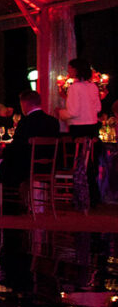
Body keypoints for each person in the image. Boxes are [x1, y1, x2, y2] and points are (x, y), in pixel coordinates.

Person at [59, 57, 102, 207]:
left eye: (70, 68)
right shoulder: (93, 87)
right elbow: (97, 108)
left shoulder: (74, 87)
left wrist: (60, 113)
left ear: (76, 70)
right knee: (90, 163)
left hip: (79, 128)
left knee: (80, 164)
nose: (68, 71)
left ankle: (81, 197)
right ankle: (92, 196)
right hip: (92, 127)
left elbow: (73, 111)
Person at [0, 90, 60, 195]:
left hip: (28, 166)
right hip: (49, 166)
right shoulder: (53, 121)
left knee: (1, 165)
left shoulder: (25, 122)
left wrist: (2, 152)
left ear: (25, 104)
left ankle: (7, 201)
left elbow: (17, 146)